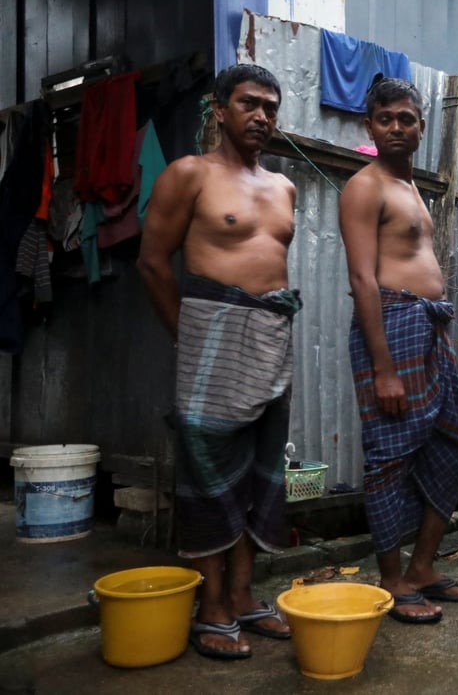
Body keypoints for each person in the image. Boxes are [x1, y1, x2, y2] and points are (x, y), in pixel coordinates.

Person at [137, 64, 298, 659]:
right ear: (221, 108)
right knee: (206, 467)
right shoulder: (190, 176)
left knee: (262, 471)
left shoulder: (284, 187)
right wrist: (190, 334)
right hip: (211, 334)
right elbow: (152, 263)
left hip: (273, 336)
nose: (261, 116)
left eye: (270, 107)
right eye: (249, 103)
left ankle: (245, 594)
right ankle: (211, 607)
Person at [338, 76, 458, 625]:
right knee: (391, 457)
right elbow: (362, 278)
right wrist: (383, 368)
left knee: (454, 441)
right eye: (385, 118)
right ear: (368, 126)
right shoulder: (365, 186)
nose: (397, 127)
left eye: (407, 118)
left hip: (429, 328)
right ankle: (392, 579)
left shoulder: (412, 187)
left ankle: (422, 567)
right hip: (392, 325)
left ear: (422, 126)